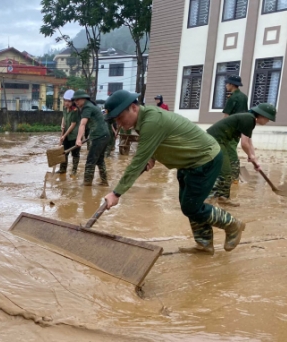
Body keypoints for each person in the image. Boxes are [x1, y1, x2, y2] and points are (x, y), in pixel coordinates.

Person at [103, 90, 245, 255]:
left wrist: (116, 193)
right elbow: (159, 141)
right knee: (190, 204)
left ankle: (232, 224)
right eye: (116, 120)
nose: (119, 123)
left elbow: (137, 162)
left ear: (133, 108)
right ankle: (204, 244)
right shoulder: (143, 120)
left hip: (204, 160)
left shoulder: (151, 120)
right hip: (187, 162)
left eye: (120, 117)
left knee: (192, 207)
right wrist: (152, 156)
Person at [207, 103, 276, 207]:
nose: (268, 122)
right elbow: (244, 144)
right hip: (215, 140)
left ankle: (223, 198)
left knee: (228, 170)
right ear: (262, 115)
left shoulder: (250, 119)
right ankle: (208, 200)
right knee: (225, 171)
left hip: (221, 141)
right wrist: (250, 156)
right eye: (268, 119)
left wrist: (254, 159)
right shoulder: (249, 119)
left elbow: (249, 142)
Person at [73, 90, 110, 186]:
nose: (76, 102)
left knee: (91, 160)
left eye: (78, 100)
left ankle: (87, 183)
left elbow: (83, 124)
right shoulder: (91, 106)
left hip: (99, 136)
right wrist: (90, 135)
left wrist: (78, 139)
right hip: (104, 135)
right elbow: (95, 122)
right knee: (99, 160)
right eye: (75, 100)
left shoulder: (87, 107)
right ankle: (104, 181)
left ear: (84, 99)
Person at [222, 75, 249, 184]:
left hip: (231, 128)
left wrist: (221, 128)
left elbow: (226, 115)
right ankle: (233, 174)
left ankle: (233, 176)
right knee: (230, 149)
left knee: (229, 150)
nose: (225, 85)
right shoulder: (244, 96)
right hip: (240, 127)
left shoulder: (232, 97)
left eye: (227, 83)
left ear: (232, 85)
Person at [58, 89, 81, 176]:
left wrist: (64, 135)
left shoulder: (75, 111)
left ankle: (74, 171)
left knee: (75, 154)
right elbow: (64, 117)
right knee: (64, 152)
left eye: (69, 101)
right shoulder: (64, 108)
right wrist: (62, 124)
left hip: (74, 135)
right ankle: (62, 169)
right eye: (65, 101)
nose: (67, 103)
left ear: (73, 102)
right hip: (66, 135)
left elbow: (73, 125)